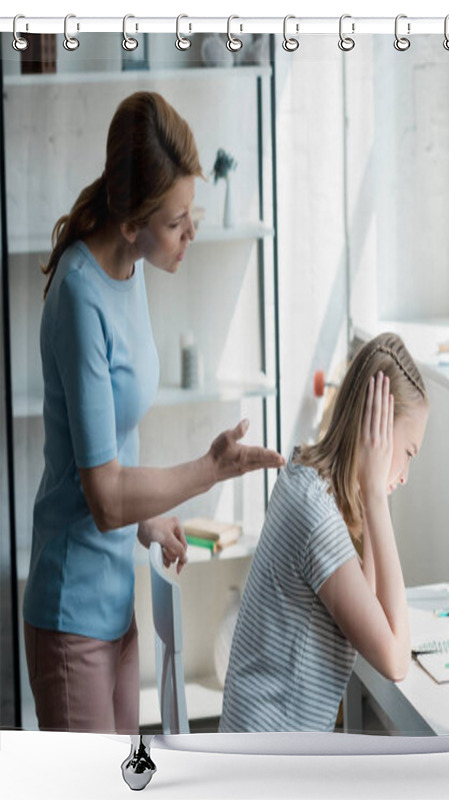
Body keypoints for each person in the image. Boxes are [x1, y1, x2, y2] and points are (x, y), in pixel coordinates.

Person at [22, 91, 285, 735]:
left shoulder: (130, 267)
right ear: (133, 220)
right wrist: (210, 468)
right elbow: (105, 495)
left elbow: (111, 447)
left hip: (116, 603)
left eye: (190, 213)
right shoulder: (81, 296)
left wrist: (154, 520)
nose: (191, 231)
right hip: (71, 612)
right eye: (176, 221)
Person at [219, 332, 428, 732]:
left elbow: (368, 611)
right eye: (408, 453)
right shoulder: (315, 517)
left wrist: (369, 501)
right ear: (378, 432)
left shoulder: (302, 476)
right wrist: (375, 497)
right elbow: (395, 661)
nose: (405, 475)